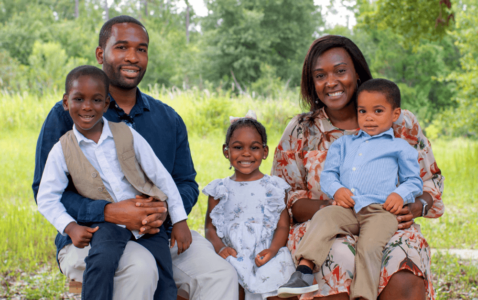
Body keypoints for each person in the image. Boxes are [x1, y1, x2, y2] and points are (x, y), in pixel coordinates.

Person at [32, 15, 238, 300]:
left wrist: (160, 213)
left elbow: (185, 182)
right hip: (92, 237)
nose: (133, 57)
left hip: (158, 232)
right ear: (100, 54)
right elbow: (44, 191)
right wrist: (107, 211)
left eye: (141, 49)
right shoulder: (69, 114)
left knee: (220, 275)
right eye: (122, 47)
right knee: (140, 268)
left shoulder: (168, 119)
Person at [271, 35, 445, 300]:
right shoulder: (301, 130)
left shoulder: (399, 122)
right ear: (312, 83)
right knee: (339, 254)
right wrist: (332, 206)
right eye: (320, 75)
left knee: (404, 257)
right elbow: (283, 194)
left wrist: (413, 206)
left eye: (340, 71)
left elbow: (429, 181)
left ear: (357, 74)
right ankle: (304, 275)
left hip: (385, 219)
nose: (331, 82)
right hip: (325, 224)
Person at [36, 65, 192, 299]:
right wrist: (70, 226)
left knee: (164, 276)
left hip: (145, 223)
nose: (87, 106)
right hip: (106, 224)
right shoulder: (62, 149)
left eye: (96, 100)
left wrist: (179, 220)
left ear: (107, 104)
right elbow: (46, 196)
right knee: (101, 263)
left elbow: (161, 176)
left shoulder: (127, 134)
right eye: (79, 99)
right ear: (66, 103)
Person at [203, 113, 296, 300]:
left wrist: (273, 249)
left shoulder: (274, 187)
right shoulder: (219, 189)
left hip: (267, 252)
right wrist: (220, 248)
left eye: (254, 148)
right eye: (238, 147)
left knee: (275, 285)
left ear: (265, 152)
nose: (246, 153)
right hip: (233, 253)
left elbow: (283, 225)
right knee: (230, 284)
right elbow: (209, 227)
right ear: (226, 151)